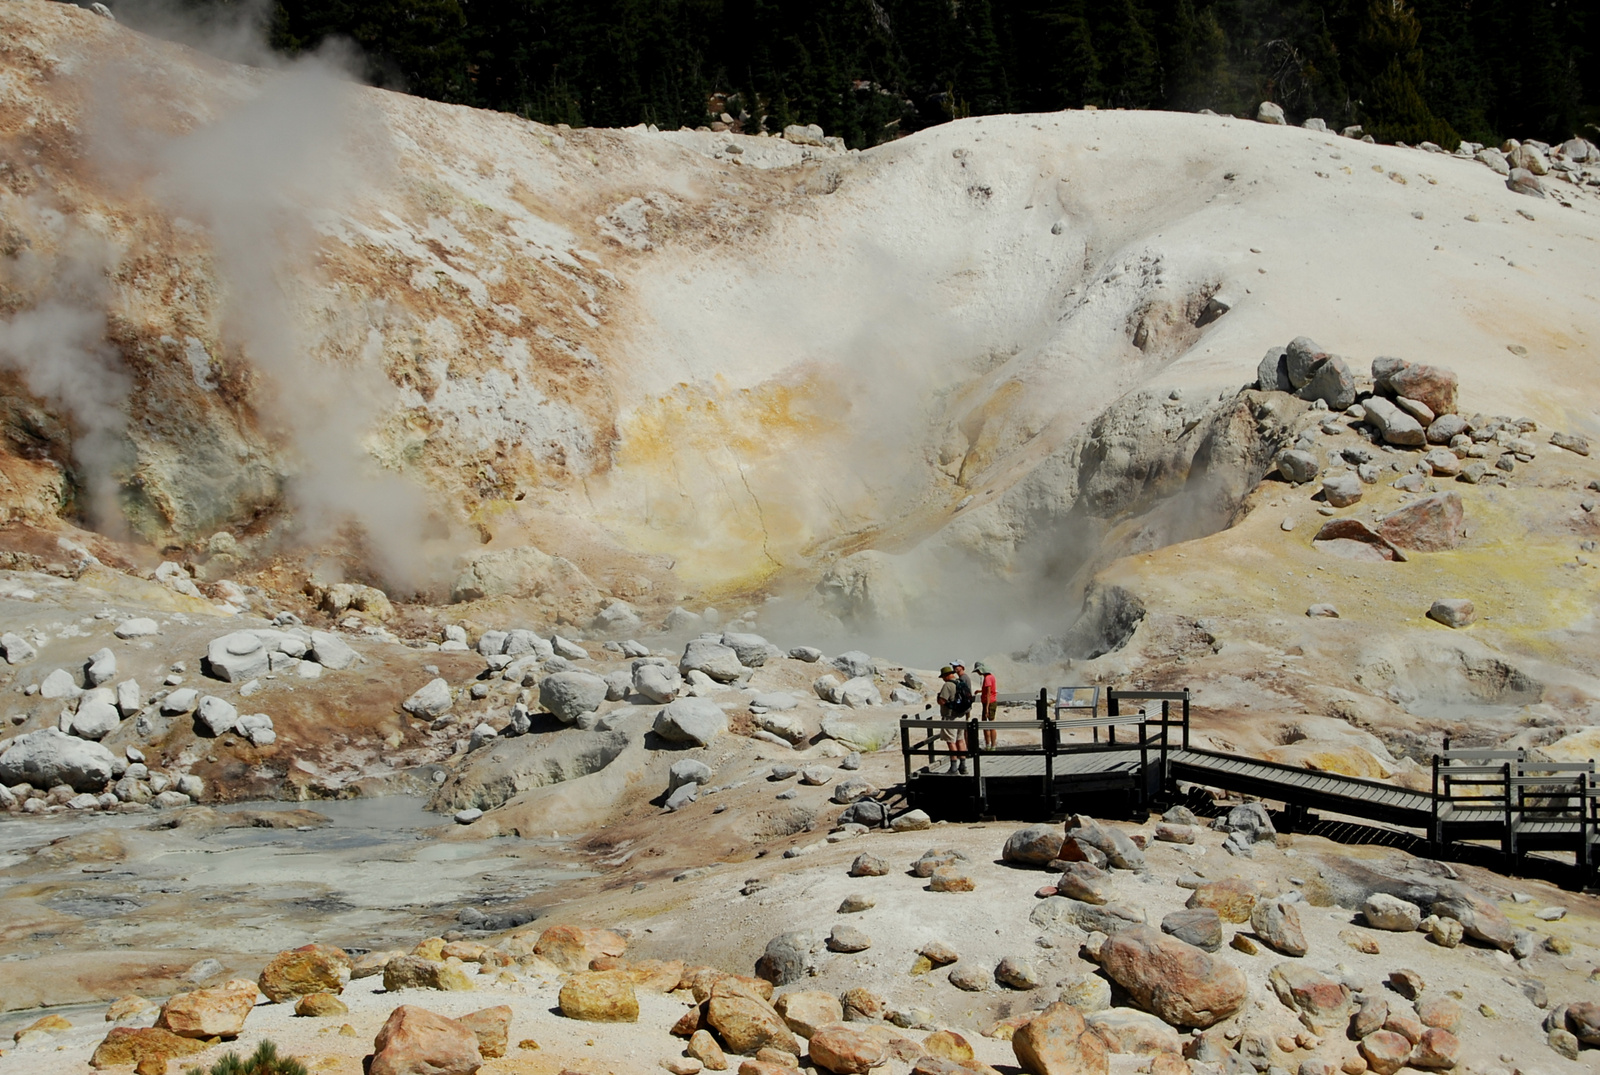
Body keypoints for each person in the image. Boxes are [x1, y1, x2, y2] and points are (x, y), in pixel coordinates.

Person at [934, 665, 967, 773]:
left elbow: (942, 701)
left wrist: (938, 698)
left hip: (950, 717)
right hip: (961, 716)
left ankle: (953, 767)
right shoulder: (960, 683)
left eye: (943, 676)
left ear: (947, 675)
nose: (943, 679)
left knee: (950, 741)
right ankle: (963, 765)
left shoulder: (947, 685)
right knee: (960, 740)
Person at [975, 661, 998, 747]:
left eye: (978, 671)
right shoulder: (991, 676)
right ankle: (991, 745)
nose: (978, 673)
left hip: (989, 703)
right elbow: (990, 690)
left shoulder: (987, 678)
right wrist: (980, 691)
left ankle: (990, 745)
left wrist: (986, 708)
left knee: (988, 724)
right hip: (991, 702)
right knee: (990, 724)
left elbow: (988, 693)